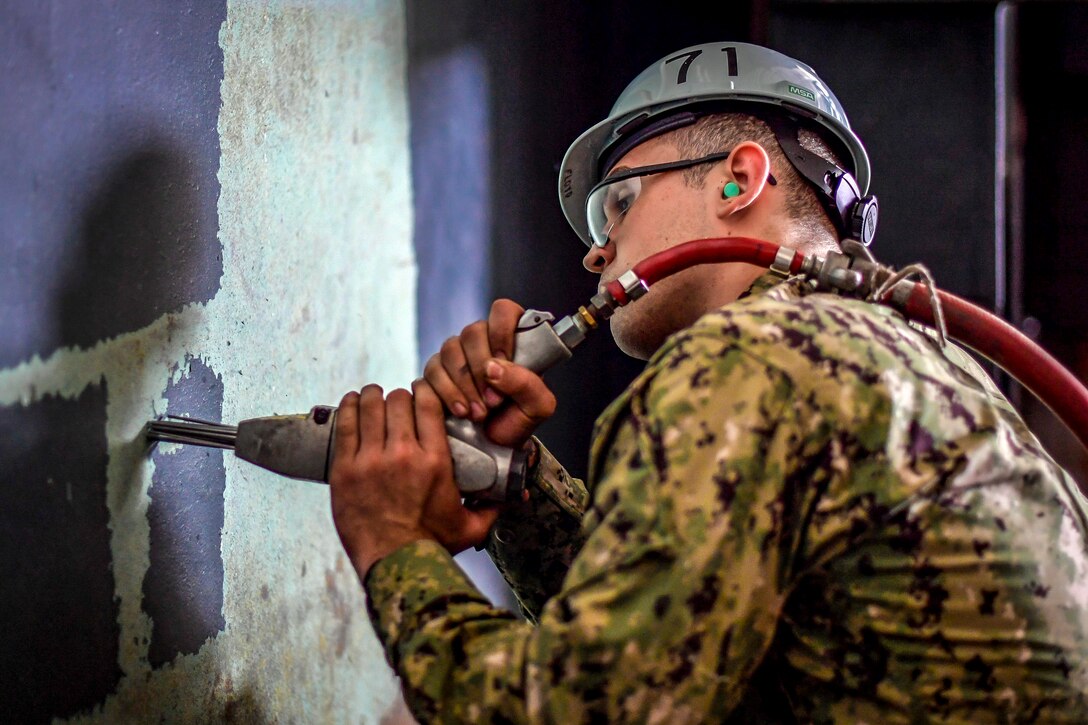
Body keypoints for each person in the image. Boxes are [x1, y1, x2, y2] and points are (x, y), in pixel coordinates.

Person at [327, 42, 1088, 722]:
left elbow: (579, 710)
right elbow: (691, 648)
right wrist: (515, 486)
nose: (597, 254)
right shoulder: (931, 366)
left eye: (618, 202)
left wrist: (394, 543)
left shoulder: (746, 361)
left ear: (739, 180)